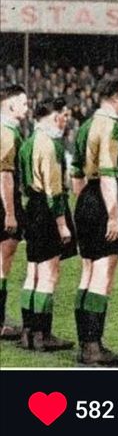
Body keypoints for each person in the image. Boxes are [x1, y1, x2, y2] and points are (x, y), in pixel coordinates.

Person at [71, 79, 118, 365]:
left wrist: (86, 204)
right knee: (102, 274)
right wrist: (113, 214)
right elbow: (108, 173)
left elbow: (76, 175)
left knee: (87, 273)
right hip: (106, 196)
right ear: (114, 97)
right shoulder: (111, 126)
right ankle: (94, 348)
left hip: (86, 198)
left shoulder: (85, 126)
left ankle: (86, 343)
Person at [18, 97, 77, 352]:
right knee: (49, 274)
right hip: (47, 210)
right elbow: (54, 190)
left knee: (33, 273)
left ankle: (28, 332)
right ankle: (44, 335)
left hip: (32, 207)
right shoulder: (49, 145)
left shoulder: (28, 143)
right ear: (54, 116)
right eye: (64, 116)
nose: (66, 121)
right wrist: (62, 224)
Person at [0, 85, 29, 339]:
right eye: (23, 103)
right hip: (4, 203)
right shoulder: (7, 133)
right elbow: (6, 176)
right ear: (10, 105)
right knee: (2, 262)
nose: (27, 108)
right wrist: (10, 212)